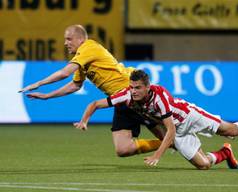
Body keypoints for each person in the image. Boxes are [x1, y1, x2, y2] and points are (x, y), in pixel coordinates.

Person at [19, 24, 165, 157]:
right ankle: (166, 143)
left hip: (132, 94)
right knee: (123, 149)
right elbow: (75, 85)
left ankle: (171, 140)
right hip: (120, 100)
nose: (65, 43)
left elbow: (65, 73)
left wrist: (39, 83)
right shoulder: (82, 59)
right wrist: (47, 96)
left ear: (81, 39)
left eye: (69, 39)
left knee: (172, 127)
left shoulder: (88, 47)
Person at [74, 69, 238, 170]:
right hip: (175, 130)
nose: (133, 91)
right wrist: (84, 120)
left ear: (147, 87)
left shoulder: (159, 96)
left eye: (137, 88)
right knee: (204, 165)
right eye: (131, 87)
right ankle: (225, 153)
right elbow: (95, 104)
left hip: (188, 117)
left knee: (229, 130)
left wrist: (157, 155)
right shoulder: (126, 96)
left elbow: (170, 130)